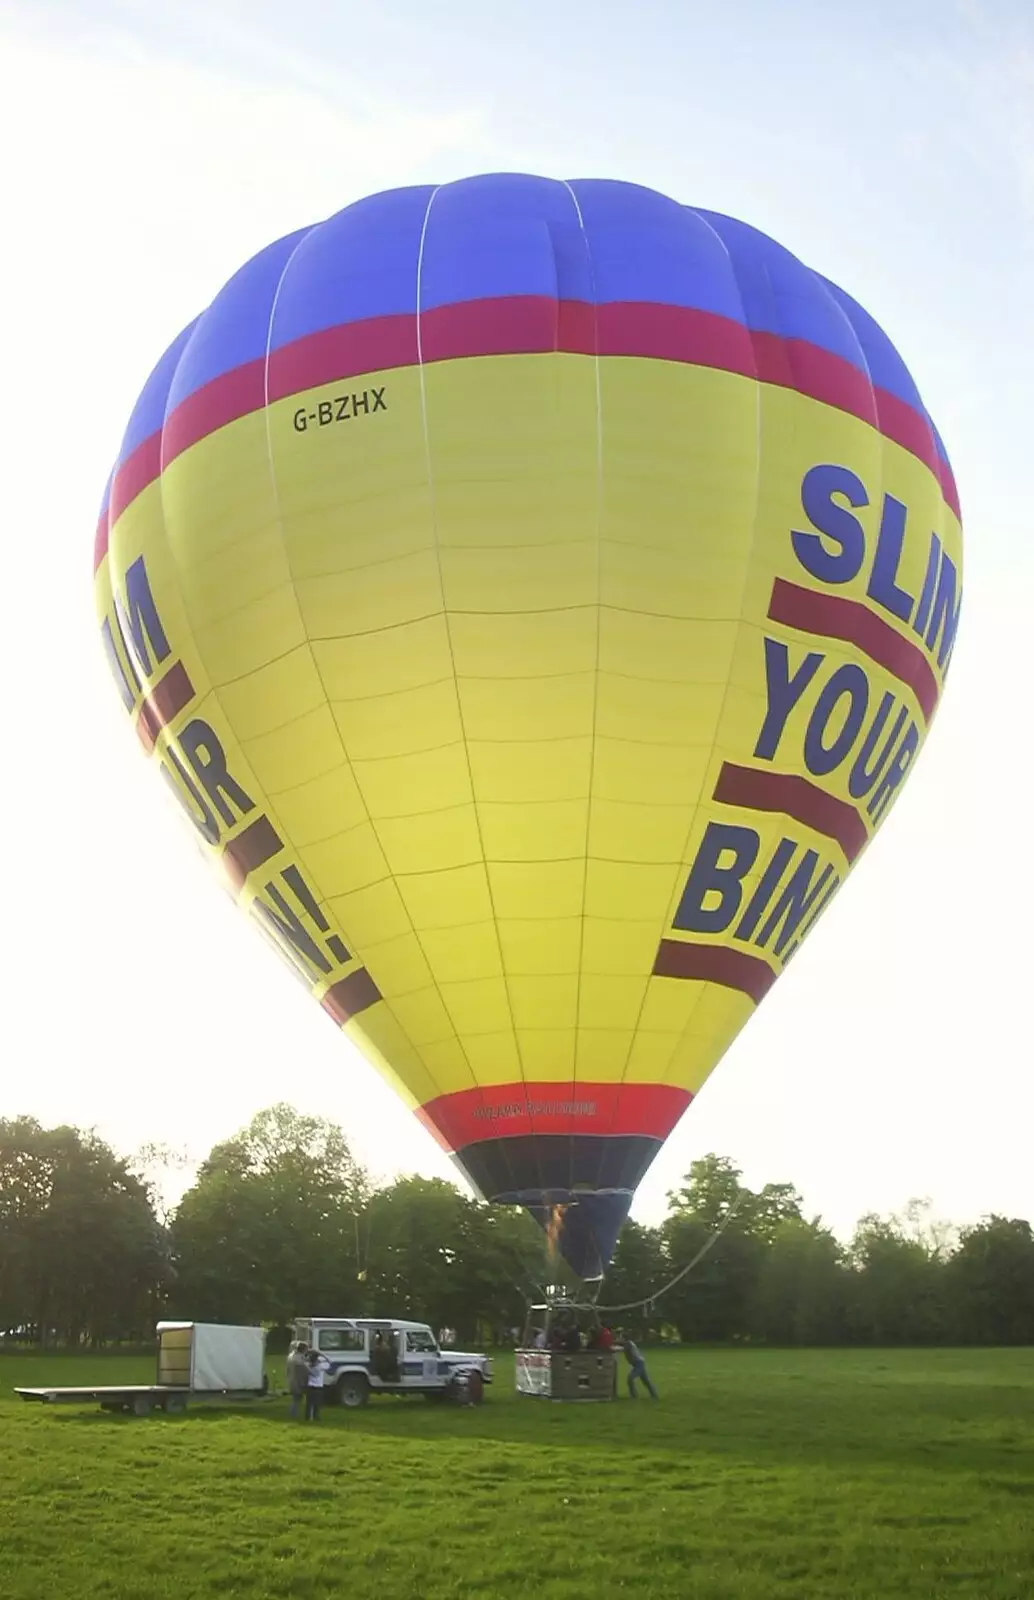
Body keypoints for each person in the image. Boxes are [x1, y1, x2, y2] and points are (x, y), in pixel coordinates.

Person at [621, 1333, 658, 1399]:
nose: (620, 1339)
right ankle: (654, 1395)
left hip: (639, 1364)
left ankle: (634, 1396)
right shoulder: (628, 1343)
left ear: (624, 1339)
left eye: (621, 1338)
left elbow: (623, 1348)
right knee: (646, 1381)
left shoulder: (628, 1344)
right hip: (639, 1363)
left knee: (630, 1378)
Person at [304, 1346, 332, 1420]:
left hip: (310, 1386)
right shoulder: (321, 1366)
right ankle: (316, 1417)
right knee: (317, 1404)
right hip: (318, 1387)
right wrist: (322, 1354)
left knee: (309, 1404)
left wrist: (307, 1354)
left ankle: (308, 1417)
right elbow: (330, 1361)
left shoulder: (307, 1365)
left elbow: (304, 1360)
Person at [286, 1340, 309, 1419]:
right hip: (298, 1382)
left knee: (296, 1399)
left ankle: (293, 1413)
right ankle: (293, 1414)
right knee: (297, 1399)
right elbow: (305, 1371)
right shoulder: (300, 1359)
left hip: (291, 1380)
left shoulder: (291, 1356)